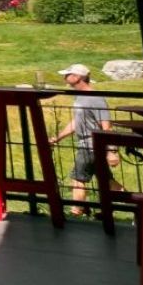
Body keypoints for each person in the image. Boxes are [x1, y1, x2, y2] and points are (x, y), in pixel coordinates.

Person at [47, 64, 113, 205]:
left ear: (77, 77)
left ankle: (77, 211)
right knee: (107, 181)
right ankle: (138, 206)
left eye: (67, 74)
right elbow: (76, 122)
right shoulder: (80, 97)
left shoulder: (95, 98)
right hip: (90, 145)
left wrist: (112, 150)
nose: (64, 77)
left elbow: (106, 126)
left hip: (90, 146)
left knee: (77, 179)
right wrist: (57, 138)